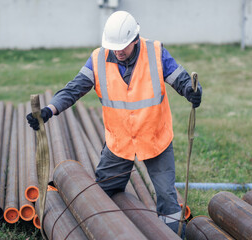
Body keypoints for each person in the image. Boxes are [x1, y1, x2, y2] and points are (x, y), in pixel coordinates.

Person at [27, 10, 202, 238]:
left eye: (123, 46)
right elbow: (74, 89)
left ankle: (172, 235)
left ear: (135, 39)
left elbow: (180, 78)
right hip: (119, 144)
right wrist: (49, 110)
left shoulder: (155, 53)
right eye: (114, 46)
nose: (118, 51)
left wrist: (191, 90)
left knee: (168, 199)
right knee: (100, 194)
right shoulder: (99, 59)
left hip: (155, 139)